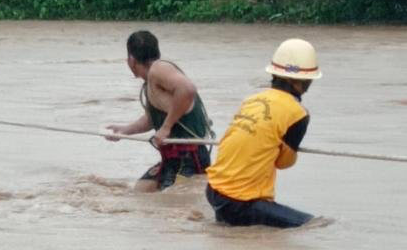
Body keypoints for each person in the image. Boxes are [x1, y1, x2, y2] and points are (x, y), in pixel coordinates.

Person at [205, 38, 322, 228]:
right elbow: (284, 163)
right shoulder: (298, 113)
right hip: (241, 202)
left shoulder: (252, 100)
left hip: (213, 190)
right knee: (314, 225)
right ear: (303, 82)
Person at [105, 30, 213, 191]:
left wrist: (166, 127)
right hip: (171, 157)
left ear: (131, 60)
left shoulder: (158, 69)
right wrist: (125, 130)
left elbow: (187, 89)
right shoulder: (152, 80)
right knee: (141, 191)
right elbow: (151, 119)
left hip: (189, 156)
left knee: (171, 206)